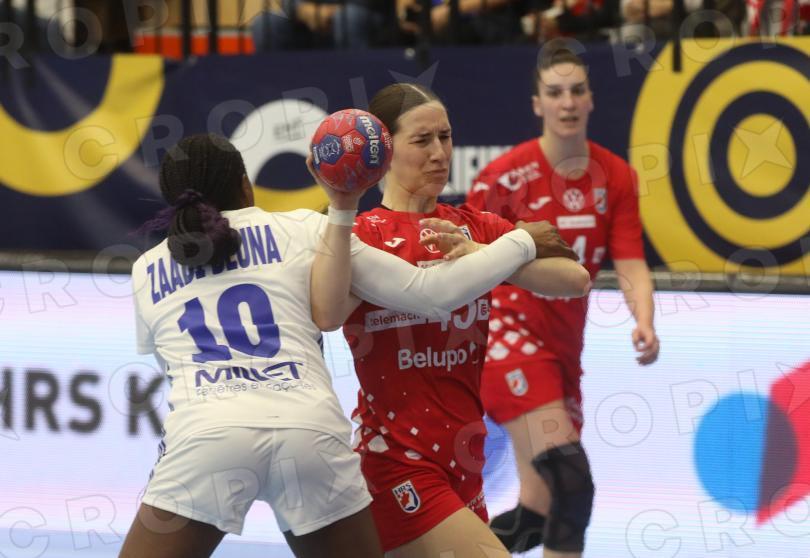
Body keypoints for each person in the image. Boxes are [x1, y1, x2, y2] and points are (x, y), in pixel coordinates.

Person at [119, 132, 556, 558]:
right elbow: (430, 292)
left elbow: (173, 373)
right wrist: (521, 241)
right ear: (245, 184)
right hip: (308, 432)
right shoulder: (304, 229)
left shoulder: (146, 269)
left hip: (208, 434)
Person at [328, 83, 591, 558]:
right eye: (422, 140)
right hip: (396, 462)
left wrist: (483, 255)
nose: (439, 153)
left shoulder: (475, 226)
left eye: (445, 137)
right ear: (385, 150)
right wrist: (504, 255)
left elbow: (575, 279)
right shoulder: (363, 237)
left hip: (464, 463)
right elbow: (326, 312)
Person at [465, 45, 661, 557]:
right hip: (507, 339)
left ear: (591, 99)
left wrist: (644, 320)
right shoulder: (505, 178)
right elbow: (462, 264)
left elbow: (630, 261)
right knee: (572, 482)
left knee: (540, 512)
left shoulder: (616, 175)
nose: (567, 102)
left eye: (577, 91)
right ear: (538, 104)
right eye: (555, 93)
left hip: (562, 350)